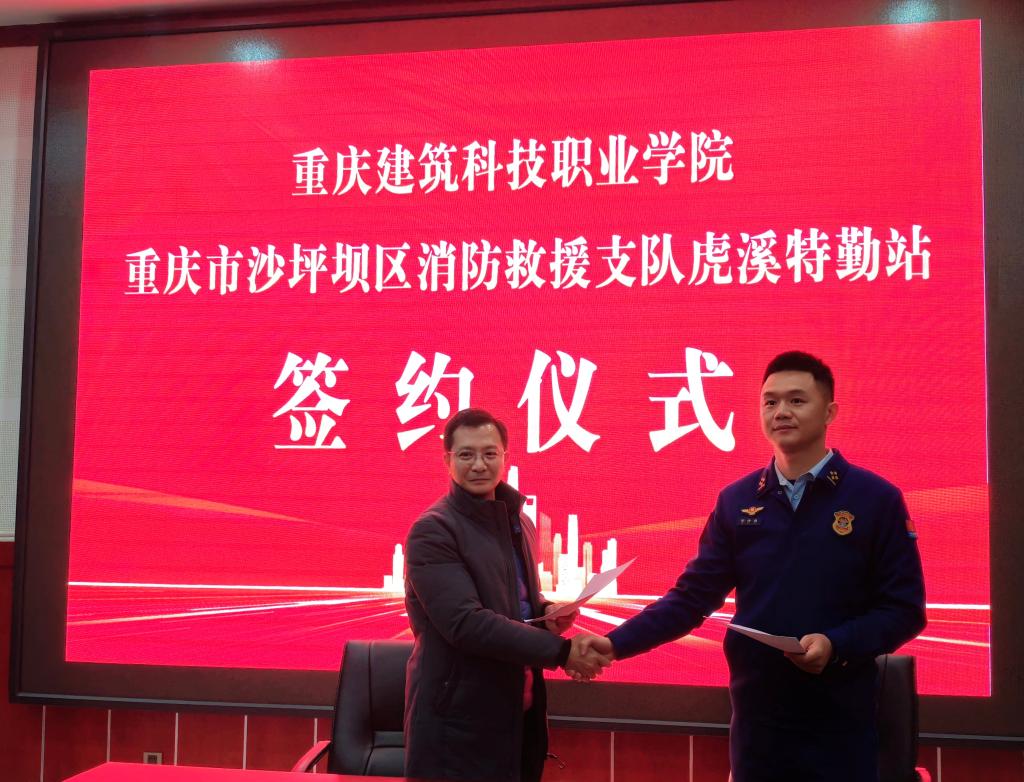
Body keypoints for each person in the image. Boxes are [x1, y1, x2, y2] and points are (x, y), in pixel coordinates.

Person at [583, 351, 926, 782]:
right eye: (770, 402)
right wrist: (614, 644)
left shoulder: (875, 499)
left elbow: (904, 610)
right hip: (759, 725)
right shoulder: (737, 500)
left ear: (829, 412)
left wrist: (835, 644)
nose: (781, 412)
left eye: (796, 400)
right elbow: (691, 599)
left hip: (841, 723)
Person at [403, 407, 610, 782]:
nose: (479, 465)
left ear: (505, 457)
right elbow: (465, 623)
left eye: (489, 453)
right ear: (448, 460)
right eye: (466, 454)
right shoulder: (433, 530)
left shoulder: (518, 521)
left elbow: (512, 602)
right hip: (458, 723)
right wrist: (562, 652)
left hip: (518, 711)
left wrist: (547, 614)